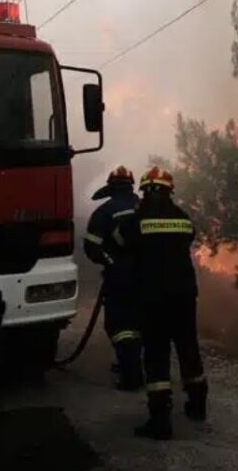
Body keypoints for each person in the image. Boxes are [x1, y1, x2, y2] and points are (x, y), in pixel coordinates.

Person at [113, 166, 207, 441]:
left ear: (143, 192)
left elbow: (118, 242)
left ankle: (160, 422)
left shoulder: (136, 220)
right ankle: (198, 406)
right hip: (184, 296)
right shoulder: (182, 218)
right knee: (188, 347)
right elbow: (190, 235)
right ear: (169, 192)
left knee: (156, 355)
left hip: (153, 298)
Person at [83, 165, 144, 391]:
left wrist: (111, 263)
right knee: (139, 323)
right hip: (148, 275)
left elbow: (91, 248)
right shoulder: (143, 207)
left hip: (120, 278)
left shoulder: (104, 212)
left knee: (119, 326)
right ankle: (131, 364)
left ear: (111, 187)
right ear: (131, 186)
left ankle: (131, 375)